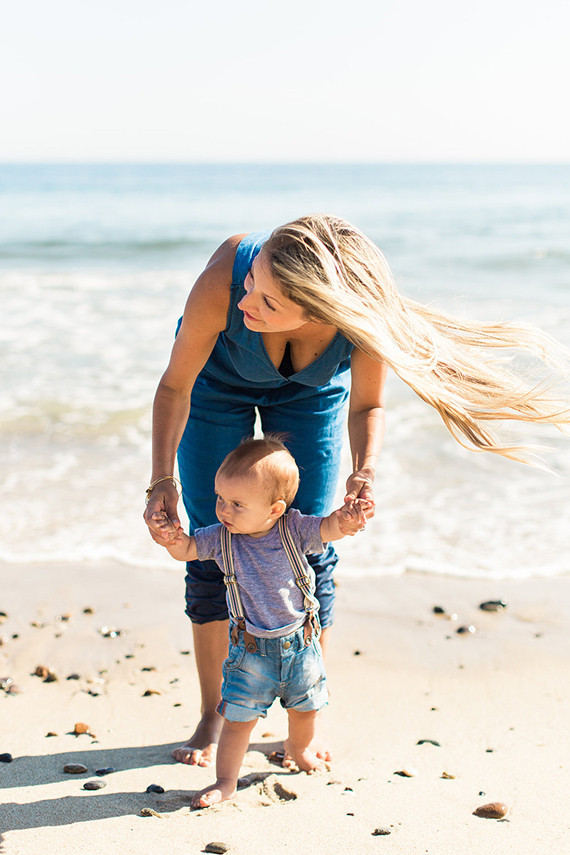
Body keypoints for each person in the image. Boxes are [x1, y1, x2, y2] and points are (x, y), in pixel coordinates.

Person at [144, 213, 569, 768]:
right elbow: (175, 384)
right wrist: (161, 482)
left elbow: (368, 405)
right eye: (253, 286)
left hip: (310, 396)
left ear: (321, 310)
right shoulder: (227, 275)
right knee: (213, 536)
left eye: (268, 302)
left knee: (312, 546)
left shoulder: (360, 315)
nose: (248, 302)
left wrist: (365, 469)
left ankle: (305, 716)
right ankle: (215, 712)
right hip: (213, 389)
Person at [154, 436, 369, 807]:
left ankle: (298, 750)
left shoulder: (293, 528)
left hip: (301, 646)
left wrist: (346, 521)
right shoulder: (220, 538)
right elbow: (187, 550)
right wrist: (171, 538)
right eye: (220, 498)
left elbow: (328, 530)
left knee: (306, 708)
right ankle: (225, 781)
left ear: (274, 509)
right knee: (238, 719)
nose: (224, 510)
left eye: (237, 504)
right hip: (250, 652)